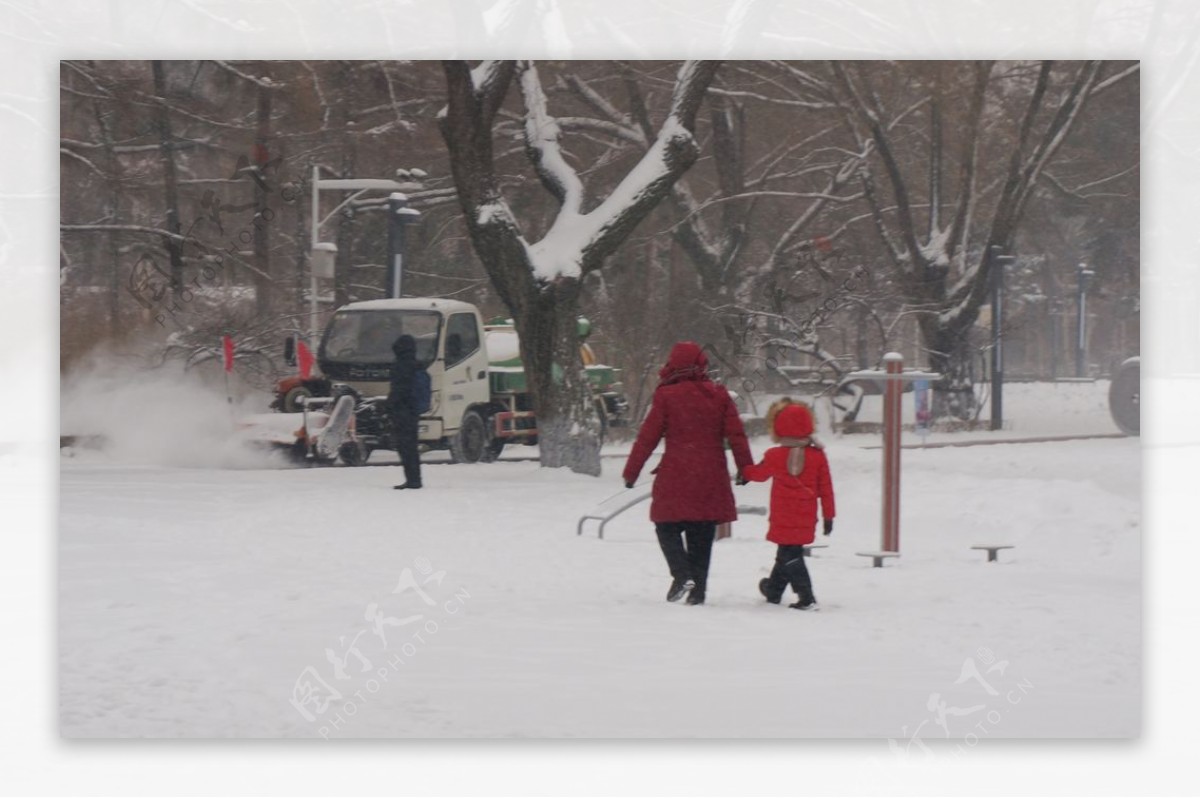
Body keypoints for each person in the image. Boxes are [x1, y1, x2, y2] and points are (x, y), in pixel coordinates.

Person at [622, 341, 753, 605]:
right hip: (710, 476)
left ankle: (681, 574)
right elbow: (736, 435)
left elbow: (647, 438)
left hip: (676, 474)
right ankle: (698, 593)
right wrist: (745, 468)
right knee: (701, 534)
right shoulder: (719, 395)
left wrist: (631, 472)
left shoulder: (666, 396)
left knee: (666, 526)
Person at [741, 401, 835, 611]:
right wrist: (829, 516)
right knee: (787, 552)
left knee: (790, 555)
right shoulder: (818, 456)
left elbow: (759, 474)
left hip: (783, 516)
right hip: (805, 516)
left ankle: (806, 597)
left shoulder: (775, 456)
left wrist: (744, 473)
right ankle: (773, 590)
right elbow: (826, 489)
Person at [387, 334, 422, 490]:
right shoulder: (416, 364)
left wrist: (390, 405)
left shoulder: (402, 365)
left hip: (402, 410)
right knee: (411, 446)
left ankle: (412, 480)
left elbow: (399, 390)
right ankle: (414, 478)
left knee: (405, 446)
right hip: (412, 410)